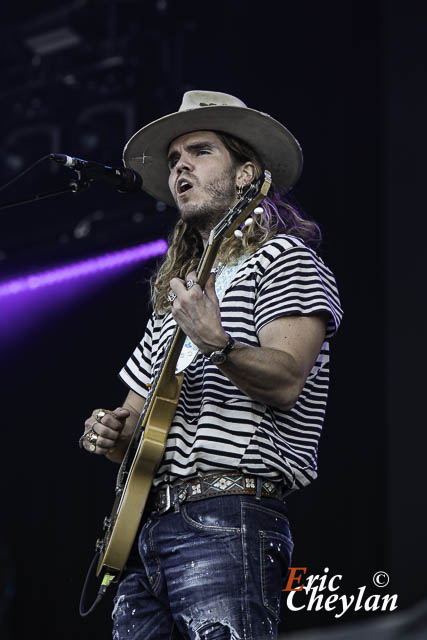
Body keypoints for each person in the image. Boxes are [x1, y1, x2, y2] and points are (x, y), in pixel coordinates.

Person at [80, 90, 343, 640]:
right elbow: (133, 425)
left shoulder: (285, 259)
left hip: (228, 516)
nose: (181, 167)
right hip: (143, 531)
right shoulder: (176, 294)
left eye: (199, 152)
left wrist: (216, 341)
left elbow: (288, 378)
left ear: (247, 173)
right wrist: (107, 430)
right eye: (175, 160)